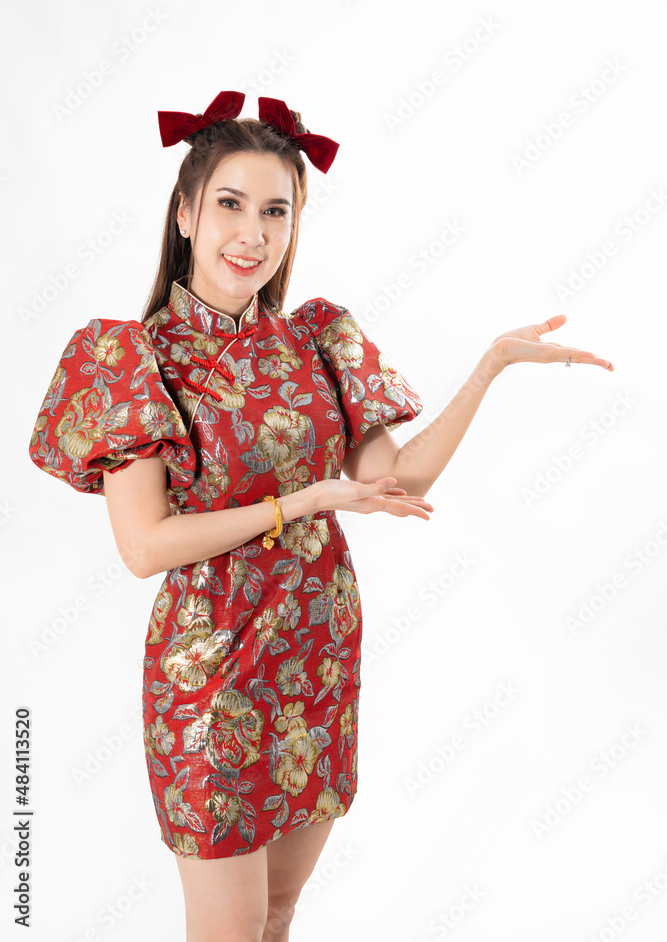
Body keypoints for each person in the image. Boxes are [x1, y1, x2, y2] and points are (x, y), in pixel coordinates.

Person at [28, 89, 614, 942]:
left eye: (276, 210)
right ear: (186, 213)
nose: (252, 233)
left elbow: (394, 479)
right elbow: (144, 546)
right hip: (211, 678)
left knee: (276, 915)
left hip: (315, 660)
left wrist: (489, 367)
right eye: (230, 204)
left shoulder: (315, 338)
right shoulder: (131, 356)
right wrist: (301, 502)